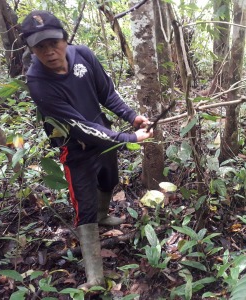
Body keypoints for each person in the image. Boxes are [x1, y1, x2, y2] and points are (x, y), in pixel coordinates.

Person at [20, 10, 153, 290]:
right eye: (40, 46)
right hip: (75, 148)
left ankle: (105, 215)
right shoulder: (37, 82)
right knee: (84, 207)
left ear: (65, 40)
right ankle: (95, 276)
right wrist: (128, 137)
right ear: (31, 49)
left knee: (109, 180)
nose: (49, 52)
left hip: (103, 137)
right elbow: (78, 127)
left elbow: (106, 92)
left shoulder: (83, 54)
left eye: (53, 43)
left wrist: (131, 116)